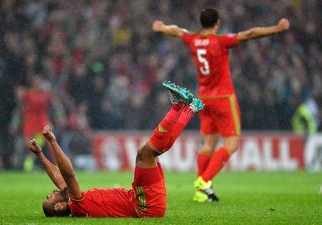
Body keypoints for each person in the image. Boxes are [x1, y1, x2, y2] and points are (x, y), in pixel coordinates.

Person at [152, 8, 290, 202]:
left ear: (202, 23)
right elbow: (250, 34)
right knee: (231, 144)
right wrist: (277, 28)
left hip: (204, 99)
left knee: (208, 144)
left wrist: (161, 27)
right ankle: (204, 181)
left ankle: (201, 193)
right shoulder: (221, 41)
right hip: (223, 98)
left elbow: (176, 30)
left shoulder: (193, 40)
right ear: (217, 23)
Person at [27, 81, 204, 217]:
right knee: (146, 153)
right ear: (59, 206)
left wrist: (40, 154)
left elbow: (59, 177)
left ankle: (178, 107)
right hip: (145, 207)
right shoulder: (76, 204)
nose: (51, 192)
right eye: (50, 198)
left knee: (149, 153)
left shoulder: (74, 200)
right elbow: (68, 174)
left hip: (140, 200)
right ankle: (189, 108)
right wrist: (53, 142)